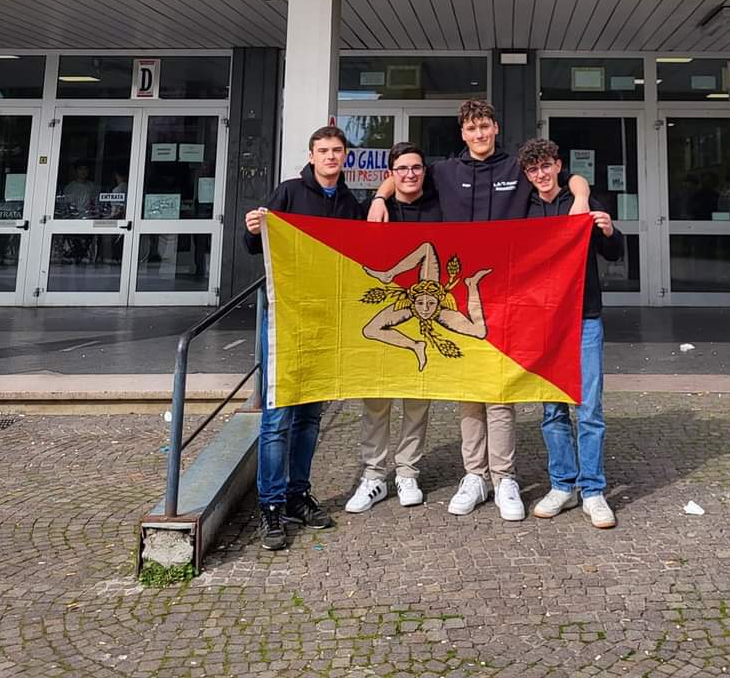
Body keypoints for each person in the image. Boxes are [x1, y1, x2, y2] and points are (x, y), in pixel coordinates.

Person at [368, 101, 590, 523]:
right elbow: (405, 176)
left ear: (495, 128)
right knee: (468, 389)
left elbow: (568, 176)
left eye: (485, 126)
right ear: (463, 134)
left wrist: (580, 195)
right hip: (458, 296)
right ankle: (475, 475)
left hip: (508, 292)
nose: (479, 134)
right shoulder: (445, 171)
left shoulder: (516, 169)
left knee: (499, 388)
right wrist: (380, 197)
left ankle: (504, 478)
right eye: (471, 128)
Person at [244, 124, 364, 552]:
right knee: (277, 417)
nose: (331, 156)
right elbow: (253, 246)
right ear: (312, 155)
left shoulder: (351, 205)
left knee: (311, 416)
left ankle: (297, 494)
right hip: (286, 318)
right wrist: (253, 228)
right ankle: (271, 505)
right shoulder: (289, 193)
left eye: (337, 150)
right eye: (323, 150)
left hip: (326, 320)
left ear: (345, 156)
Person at [520, 136, 623, 531]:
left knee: (590, 408)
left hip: (584, 317)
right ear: (527, 175)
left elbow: (614, 253)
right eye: (533, 169)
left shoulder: (583, 201)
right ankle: (562, 484)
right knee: (552, 410)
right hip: (543, 321)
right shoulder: (523, 209)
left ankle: (592, 490)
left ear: (559, 166)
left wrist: (609, 230)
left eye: (546, 166)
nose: (541, 174)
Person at [346, 142, 442, 515]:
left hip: (426, 305)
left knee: (417, 400)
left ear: (424, 171)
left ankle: (407, 472)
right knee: (376, 397)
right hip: (393, 303)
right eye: (402, 168)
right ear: (391, 174)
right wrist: (378, 199)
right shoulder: (372, 210)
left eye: (416, 167)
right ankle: (373, 476)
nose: (410, 174)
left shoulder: (440, 208)